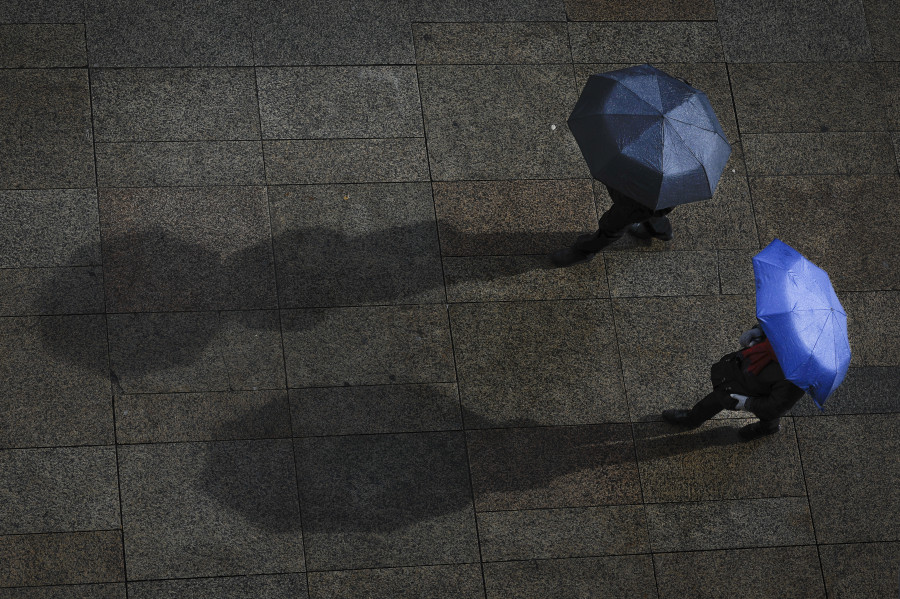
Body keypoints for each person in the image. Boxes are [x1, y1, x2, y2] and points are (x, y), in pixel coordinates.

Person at [661, 324, 805, 441]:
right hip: (740, 374)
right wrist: (759, 331)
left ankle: (768, 427)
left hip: (758, 393)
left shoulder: (797, 377)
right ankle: (693, 418)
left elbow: (775, 406)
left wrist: (748, 403)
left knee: (768, 415)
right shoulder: (795, 328)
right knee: (718, 396)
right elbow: (775, 327)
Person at [550, 185, 674, 267]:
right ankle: (660, 230)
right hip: (663, 193)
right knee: (654, 206)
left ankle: (584, 250)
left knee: (612, 226)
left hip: (638, 196)